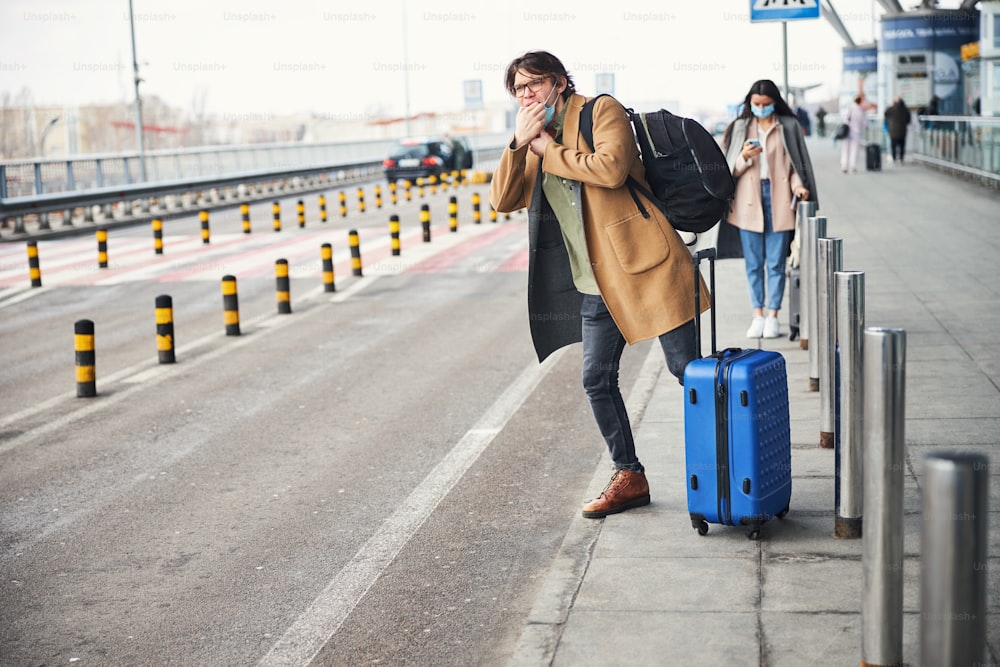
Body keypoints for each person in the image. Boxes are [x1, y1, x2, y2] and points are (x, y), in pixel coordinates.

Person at [488, 50, 706, 519]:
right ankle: (629, 476)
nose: (527, 95)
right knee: (596, 379)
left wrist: (550, 151)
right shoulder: (532, 137)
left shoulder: (600, 110)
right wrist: (518, 144)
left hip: (647, 263)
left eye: (534, 83)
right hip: (595, 282)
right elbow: (502, 199)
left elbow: (610, 169)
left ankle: (724, 465)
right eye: (519, 89)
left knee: (686, 369)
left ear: (560, 82)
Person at [722, 79, 818, 340]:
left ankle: (773, 315)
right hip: (747, 200)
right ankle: (758, 314)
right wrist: (743, 157)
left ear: (775, 102)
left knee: (776, 263)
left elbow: (795, 165)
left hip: (780, 199)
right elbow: (726, 169)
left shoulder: (788, 126)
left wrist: (800, 187)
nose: (761, 108)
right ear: (749, 103)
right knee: (754, 263)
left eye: (765, 104)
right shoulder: (740, 127)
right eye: (756, 104)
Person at [840, 95, 867, 173]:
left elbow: (844, 119)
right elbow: (864, 123)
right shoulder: (861, 111)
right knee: (854, 150)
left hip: (847, 131)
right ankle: (852, 166)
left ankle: (844, 165)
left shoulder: (849, 108)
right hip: (856, 132)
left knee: (845, 149)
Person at [883, 96, 911, 164]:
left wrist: (891, 105)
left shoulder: (892, 108)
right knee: (902, 145)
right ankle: (901, 158)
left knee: (893, 145)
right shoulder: (905, 109)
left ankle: (894, 158)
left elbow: (886, 113)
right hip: (902, 131)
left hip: (893, 131)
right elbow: (908, 120)